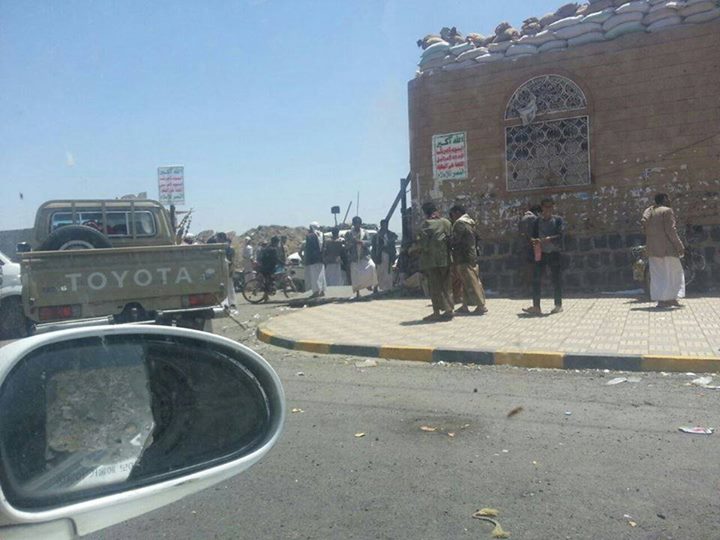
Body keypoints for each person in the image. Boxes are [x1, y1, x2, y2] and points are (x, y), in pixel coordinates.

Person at [641, 193, 685, 308]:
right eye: (668, 198)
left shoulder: (649, 211)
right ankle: (671, 298)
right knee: (674, 274)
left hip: (653, 249)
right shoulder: (667, 211)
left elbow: (644, 228)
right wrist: (679, 246)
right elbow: (671, 231)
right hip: (667, 249)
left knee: (658, 276)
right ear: (664, 199)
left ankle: (663, 300)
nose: (669, 200)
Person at [523, 198, 564, 316]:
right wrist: (534, 240)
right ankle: (536, 306)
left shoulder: (557, 220)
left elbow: (560, 235)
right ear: (542, 208)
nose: (548, 209)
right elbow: (533, 236)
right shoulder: (537, 222)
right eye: (546, 207)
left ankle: (558, 305)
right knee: (536, 279)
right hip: (541, 253)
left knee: (556, 279)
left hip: (554, 252)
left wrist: (548, 239)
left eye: (550, 206)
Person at [418, 202, 453, 321]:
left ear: (425, 213)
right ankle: (449, 310)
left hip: (431, 261)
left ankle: (436, 312)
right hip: (446, 259)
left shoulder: (425, 225)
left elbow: (423, 245)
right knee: (447, 285)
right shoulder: (446, 222)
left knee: (434, 287)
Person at [448, 205, 487, 315]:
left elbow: (456, 240)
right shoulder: (470, 222)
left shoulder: (459, 224)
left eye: (452, 214)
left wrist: (448, 241)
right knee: (466, 282)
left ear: (457, 212)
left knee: (471, 281)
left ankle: (480, 305)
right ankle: (464, 305)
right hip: (471, 255)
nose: (452, 217)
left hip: (464, 257)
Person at [345, 216, 377, 299]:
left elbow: (369, 242)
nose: (357, 225)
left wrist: (362, 242)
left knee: (372, 266)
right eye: (355, 223)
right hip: (354, 257)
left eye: (358, 223)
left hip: (364, 256)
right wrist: (353, 242)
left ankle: (370, 285)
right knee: (356, 276)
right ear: (353, 224)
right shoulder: (349, 233)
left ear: (360, 224)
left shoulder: (364, 232)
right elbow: (346, 245)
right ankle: (358, 293)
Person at [518, 204, 541, 294]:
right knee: (532, 268)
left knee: (526, 268)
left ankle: (525, 288)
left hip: (523, 246)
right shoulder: (533, 218)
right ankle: (530, 288)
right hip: (531, 246)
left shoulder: (523, 218)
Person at [371, 219, 398, 292]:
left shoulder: (391, 234)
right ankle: (377, 287)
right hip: (380, 256)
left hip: (389, 256)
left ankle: (387, 288)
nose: (385, 226)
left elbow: (394, 239)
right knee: (379, 272)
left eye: (386, 225)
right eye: (383, 225)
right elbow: (374, 247)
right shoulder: (376, 236)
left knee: (388, 273)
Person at [301, 222, 327, 298]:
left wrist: (307, 259)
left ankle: (316, 292)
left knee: (314, 276)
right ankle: (322, 291)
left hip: (313, 259)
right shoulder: (322, 235)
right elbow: (324, 247)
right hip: (321, 258)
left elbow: (308, 248)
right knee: (321, 275)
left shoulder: (310, 236)